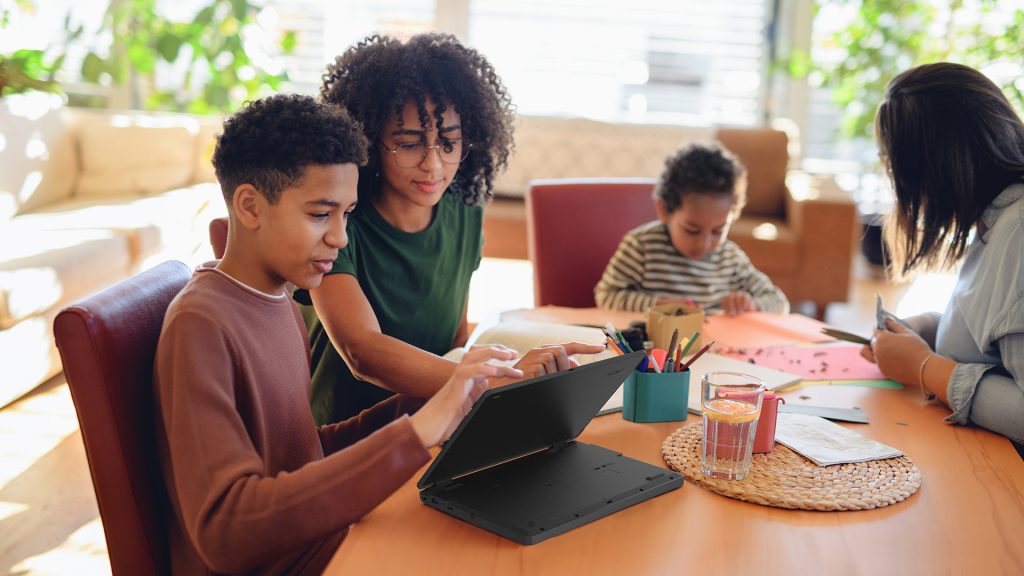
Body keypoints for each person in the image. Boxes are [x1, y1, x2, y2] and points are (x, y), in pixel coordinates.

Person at [152, 94, 527, 574]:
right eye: (319, 214)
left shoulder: (280, 302)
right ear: (249, 206)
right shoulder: (201, 325)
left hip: (330, 543)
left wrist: (431, 402)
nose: (341, 237)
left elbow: (302, 456)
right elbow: (227, 530)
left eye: (346, 214)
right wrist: (417, 431)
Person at [296, 33, 602, 424]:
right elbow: (362, 352)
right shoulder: (339, 223)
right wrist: (491, 381)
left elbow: (454, 337)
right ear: (370, 143)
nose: (434, 166)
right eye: (409, 145)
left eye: (449, 142)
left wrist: (493, 372)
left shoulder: (464, 208)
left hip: (435, 417)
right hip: (349, 435)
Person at [862, 62, 1024, 444]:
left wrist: (923, 367)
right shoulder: (999, 218)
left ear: (933, 170)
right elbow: (999, 334)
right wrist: (930, 329)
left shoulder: (1017, 230)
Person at [594, 142, 789, 315]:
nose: (704, 243)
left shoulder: (730, 258)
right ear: (664, 210)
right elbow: (606, 296)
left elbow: (779, 302)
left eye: (718, 231)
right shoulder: (641, 247)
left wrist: (750, 304)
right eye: (692, 230)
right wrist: (658, 305)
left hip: (714, 350)